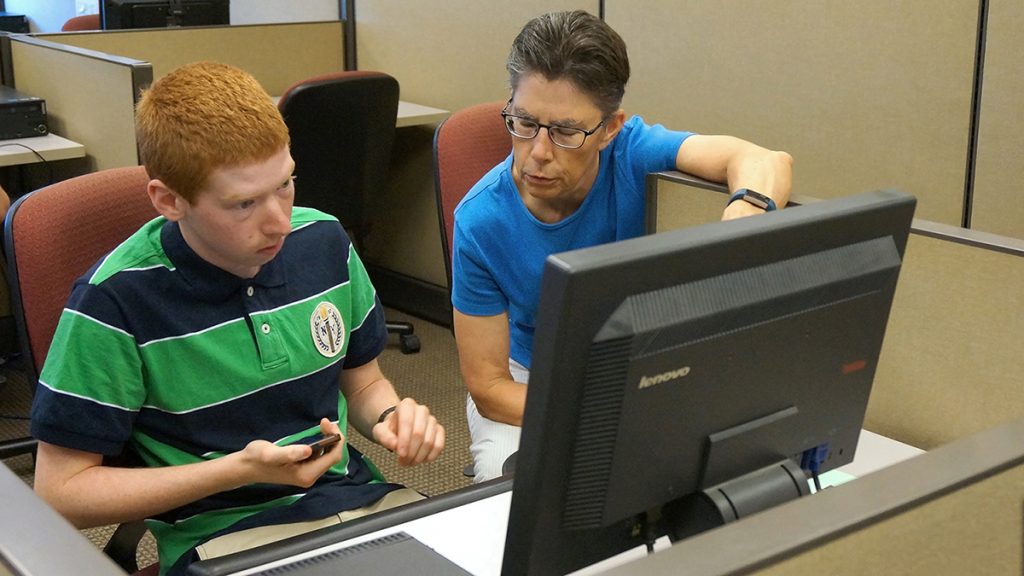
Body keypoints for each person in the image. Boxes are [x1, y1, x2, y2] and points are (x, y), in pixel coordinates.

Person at [29, 61, 445, 575]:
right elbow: (60, 493)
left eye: (286, 185)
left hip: (352, 503)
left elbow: (362, 385)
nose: (280, 221)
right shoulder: (113, 303)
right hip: (224, 539)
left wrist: (389, 418)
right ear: (169, 201)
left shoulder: (325, 243)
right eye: (244, 203)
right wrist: (235, 472)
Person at [451, 10, 794, 482]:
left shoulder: (631, 151)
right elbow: (490, 387)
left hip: (631, 366)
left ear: (610, 128)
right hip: (532, 376)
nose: (538, 152)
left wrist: (743, 218)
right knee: (511, 479)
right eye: (524, 122)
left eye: (567, 132)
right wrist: (609, 414)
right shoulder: (480, 220)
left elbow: (764, 160)